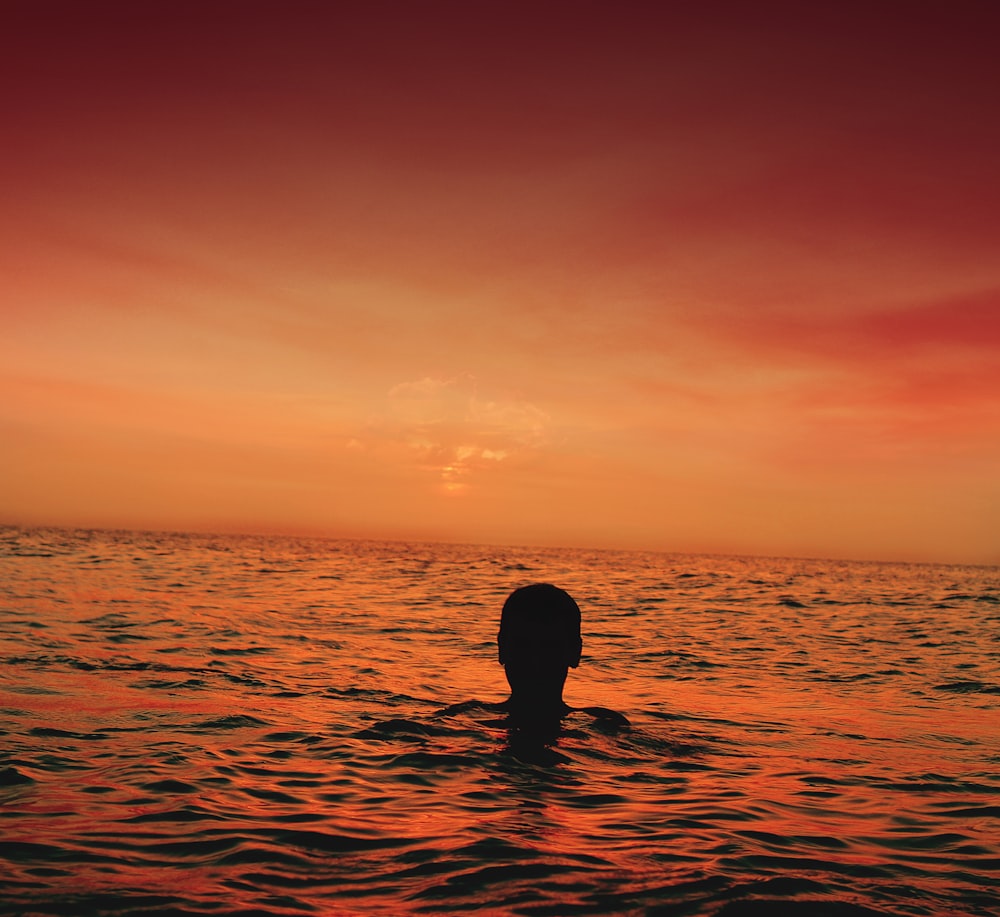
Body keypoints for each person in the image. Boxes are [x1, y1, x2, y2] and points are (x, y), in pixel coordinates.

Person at [496, 583, 628, 734]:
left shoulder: (469, 721)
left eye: (549, 648)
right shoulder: (603, 725)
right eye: (523, 646)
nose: (535, 661)